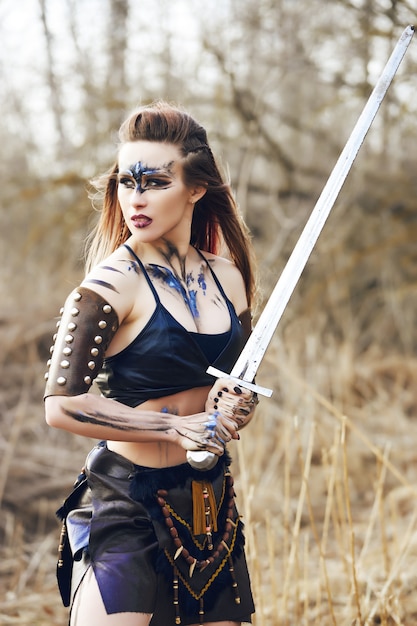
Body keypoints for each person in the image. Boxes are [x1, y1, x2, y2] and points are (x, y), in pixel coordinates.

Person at [44, 100, 258, 626]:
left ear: (195, 188)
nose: (135, 198)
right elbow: (61, 405)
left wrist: (237, 406)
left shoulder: (228, 278)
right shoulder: (109, 285)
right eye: (126, 182)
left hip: (209, 501)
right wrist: (175, 424)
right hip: (127, 502)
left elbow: (234, 385)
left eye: (155, 183)